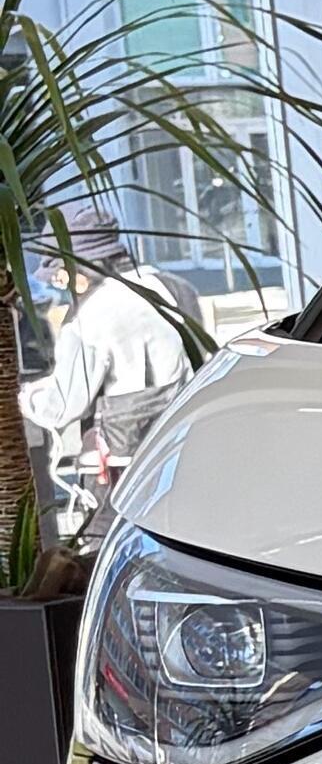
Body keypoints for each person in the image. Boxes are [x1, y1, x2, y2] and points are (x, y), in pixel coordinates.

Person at [39, 212, 199, 544]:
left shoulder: (89, 316)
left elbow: (63, 405)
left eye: (58, 275)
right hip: (181, 453)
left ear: (78, 270)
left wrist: (23, 398)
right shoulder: (175, 288)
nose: (59, 285)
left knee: (108, 549)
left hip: (115, 469)